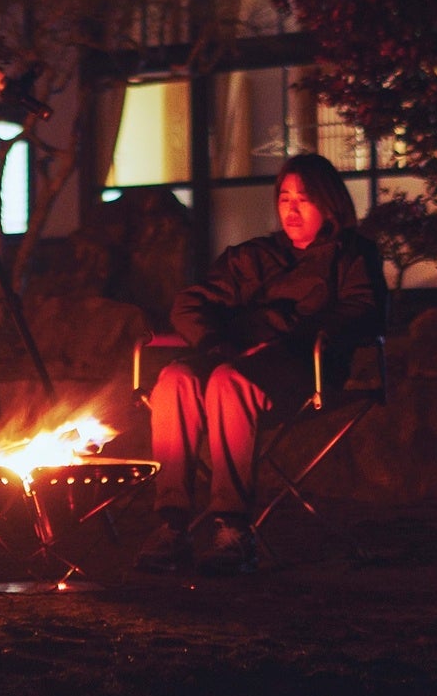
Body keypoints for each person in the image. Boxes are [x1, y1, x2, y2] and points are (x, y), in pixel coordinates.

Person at [137, 155, 384, 575]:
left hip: (302, 367)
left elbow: (364, 310)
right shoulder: (254, 257)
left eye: (303, 200)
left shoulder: (352, 256)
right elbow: (190, 303)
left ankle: (233, 529)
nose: (290, 210)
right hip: (228, 357)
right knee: (176, 378)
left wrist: (284, 337)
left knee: (229, 382)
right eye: (284, 198)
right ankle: (172, 524)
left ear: (329, 204)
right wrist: (214, 342)